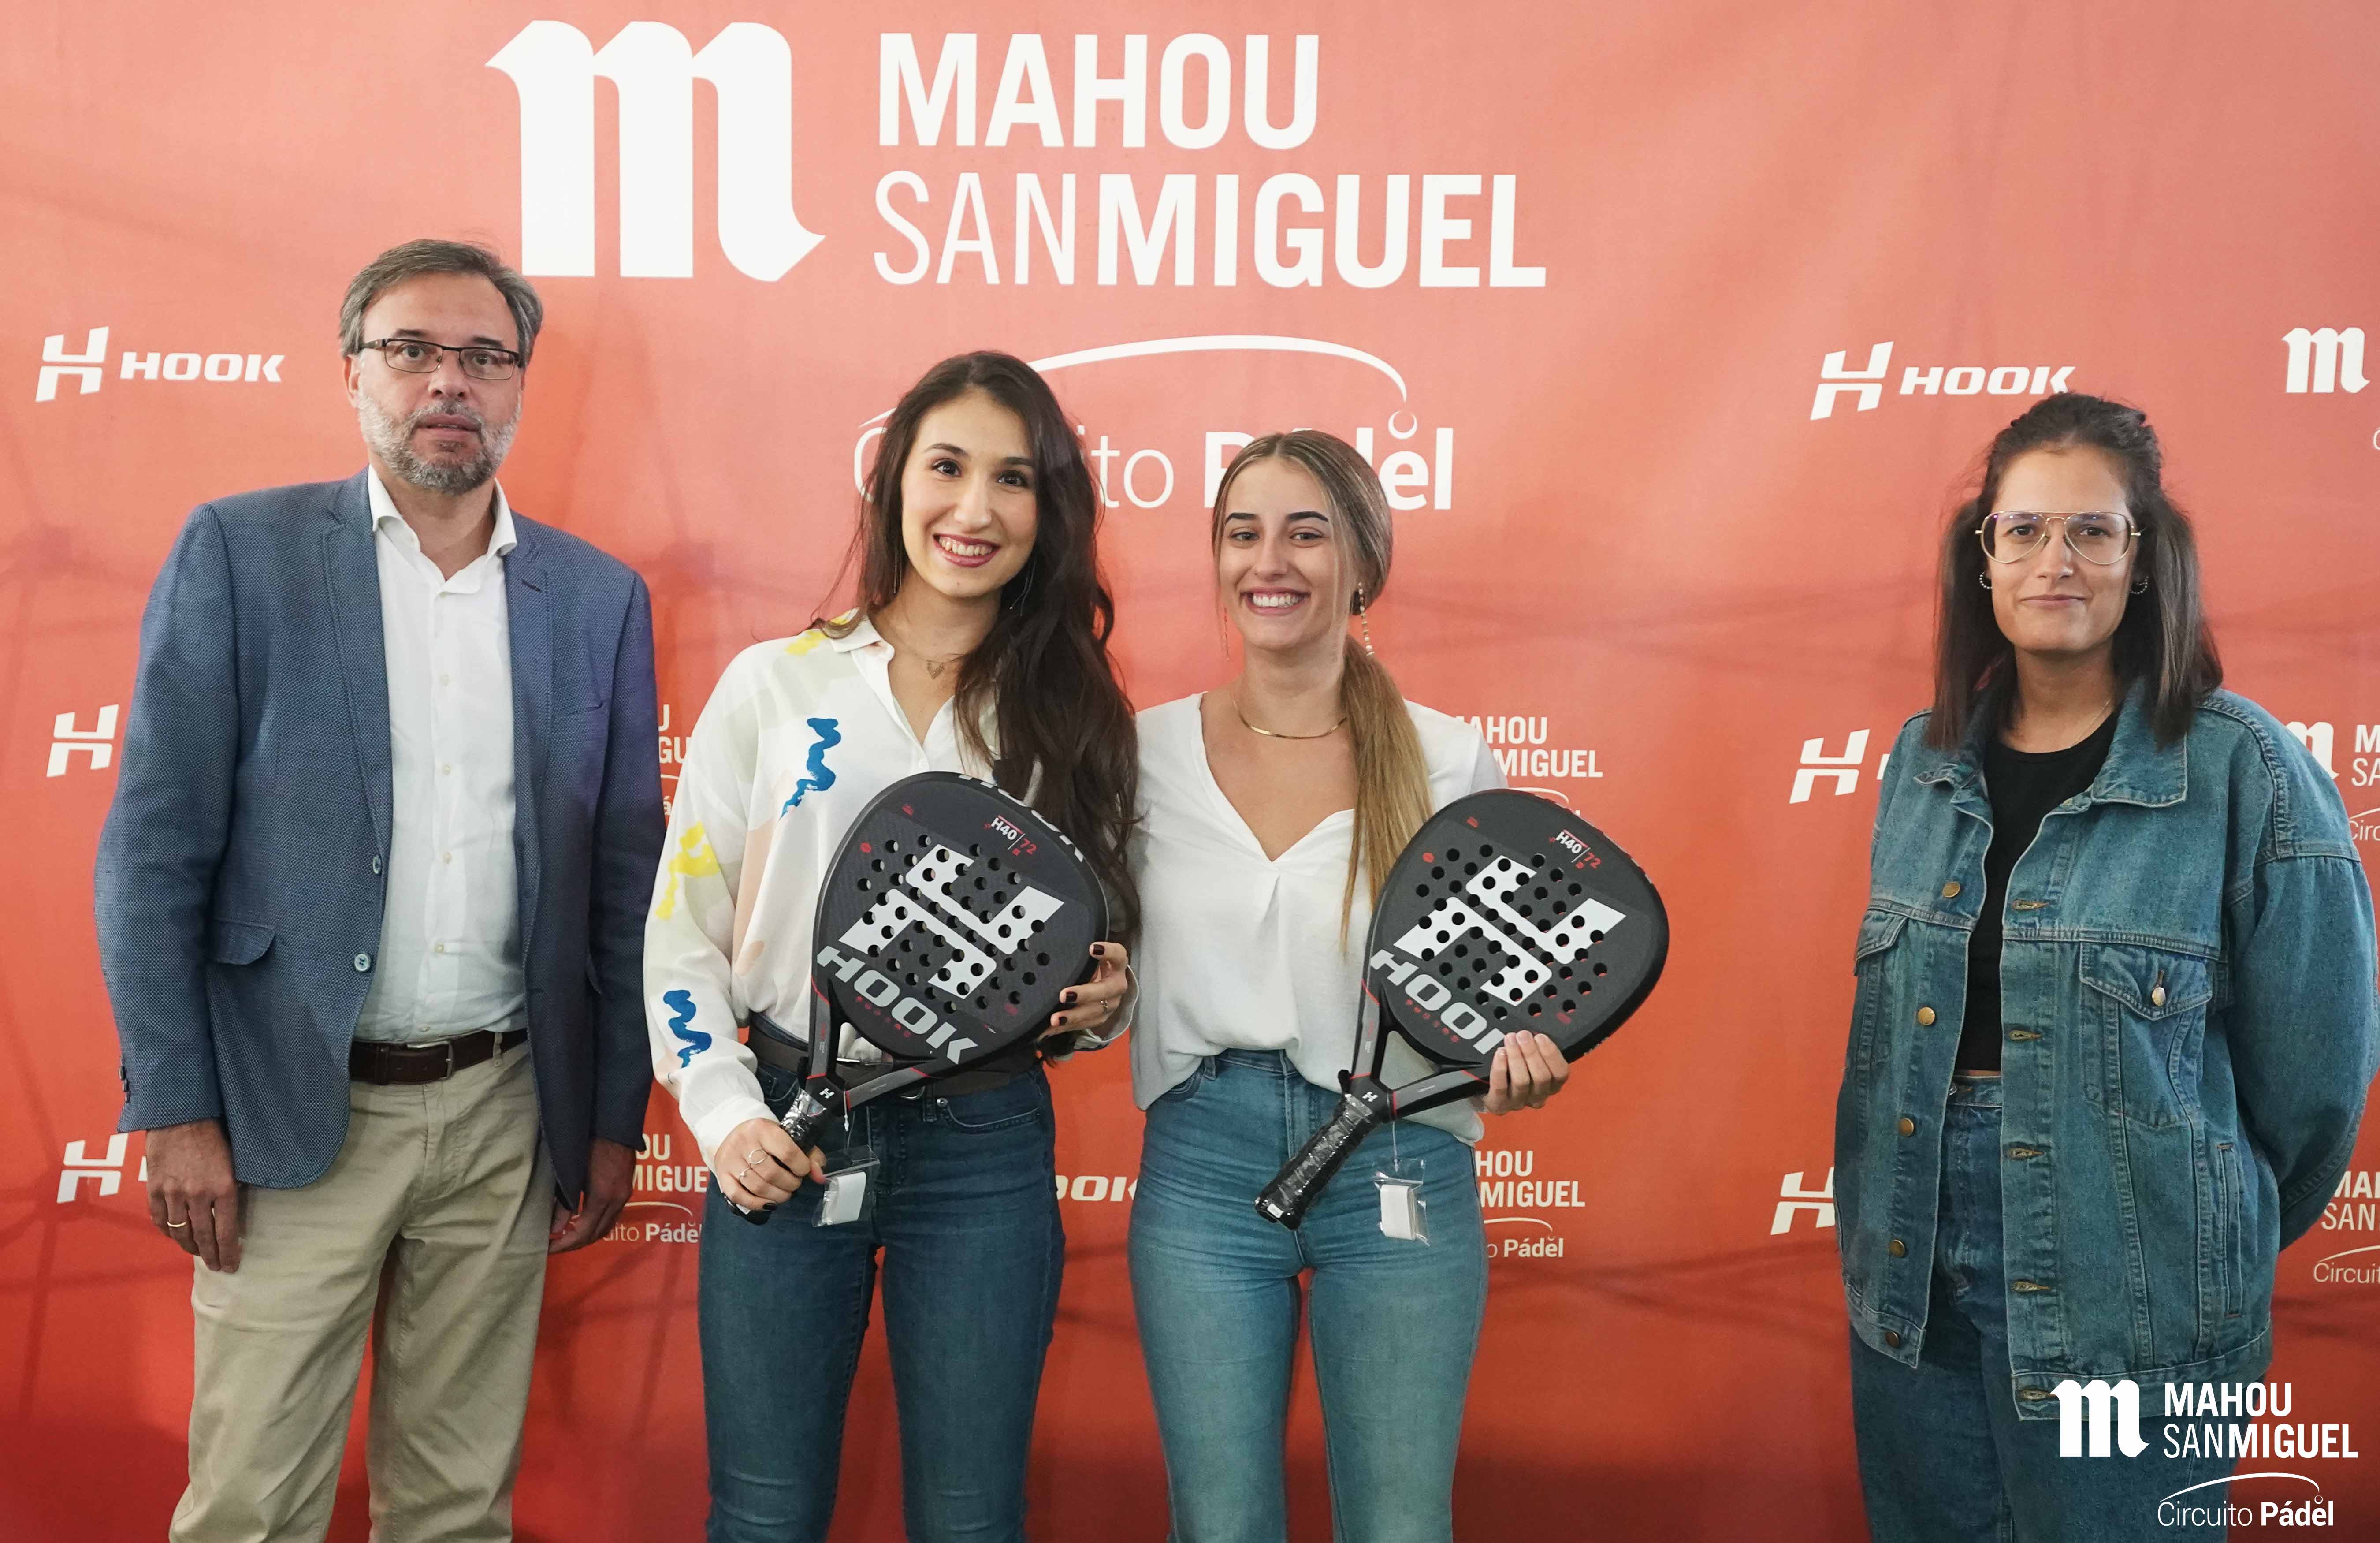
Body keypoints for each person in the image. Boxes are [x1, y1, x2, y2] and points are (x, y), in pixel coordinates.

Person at [93, 238, 664, 1541]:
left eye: (484, 356)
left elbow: (624, 884)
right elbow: (150, 854)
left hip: (507, 1112)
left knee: (458, 1509)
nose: (448, 382)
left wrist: (610, 1115)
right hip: (290, 1110)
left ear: (520, 385)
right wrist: (175, 1106)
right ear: (353, 373)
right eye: (412, 350)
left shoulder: (596, 599)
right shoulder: (242, 554)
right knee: (251, 1507)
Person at [1836, 393, 2379, 1541]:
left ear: (2143, 562)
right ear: (1983, 558)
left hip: (2130, 1296)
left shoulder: (2243, 768)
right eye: (2024, 529)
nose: (2057, 560)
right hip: (1912, 1281)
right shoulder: (1921, 761)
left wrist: (2182, 1238)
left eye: (2093, 529)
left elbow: (2316, 1086)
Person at [646, 350, 1139, 1543]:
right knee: (764, 1515)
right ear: (894, 482)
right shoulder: (773, 686)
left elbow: (1099, 952)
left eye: (1013, 479)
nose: (975, 508)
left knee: (973, 1518)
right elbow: (681, 935)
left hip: (985, 1146)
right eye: (947, 467)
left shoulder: (1075, 711)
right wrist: (727, 1114)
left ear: (1049, 510)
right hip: (784, 1124)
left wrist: (1107, 998)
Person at [1124, 429, 1575, 1543]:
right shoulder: (1143, 753)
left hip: (1398, 1155)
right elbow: (1106, 976)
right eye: (1243, 533)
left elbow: (1496, 1000)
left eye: (1307, 533)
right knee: (1219, 1524)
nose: (1269, 561)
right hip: (1202, 1164)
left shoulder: (1449, 762)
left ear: (1364, 562)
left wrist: (1515, 1063)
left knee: (1400, 1525)